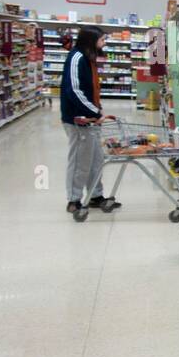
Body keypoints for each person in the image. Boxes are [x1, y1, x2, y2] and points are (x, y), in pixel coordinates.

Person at [59, 26, 119, 221]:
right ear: (90, 41)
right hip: (78, 119)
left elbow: (90, 87)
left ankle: (95, 195)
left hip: (90, 118)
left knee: (96, 159)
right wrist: (94, 111)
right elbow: (74, 90)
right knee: (79, 161)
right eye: (102, 40)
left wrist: (97, 110)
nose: (104, 43)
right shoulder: (77, 58)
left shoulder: (88, 58)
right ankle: (73, 200)